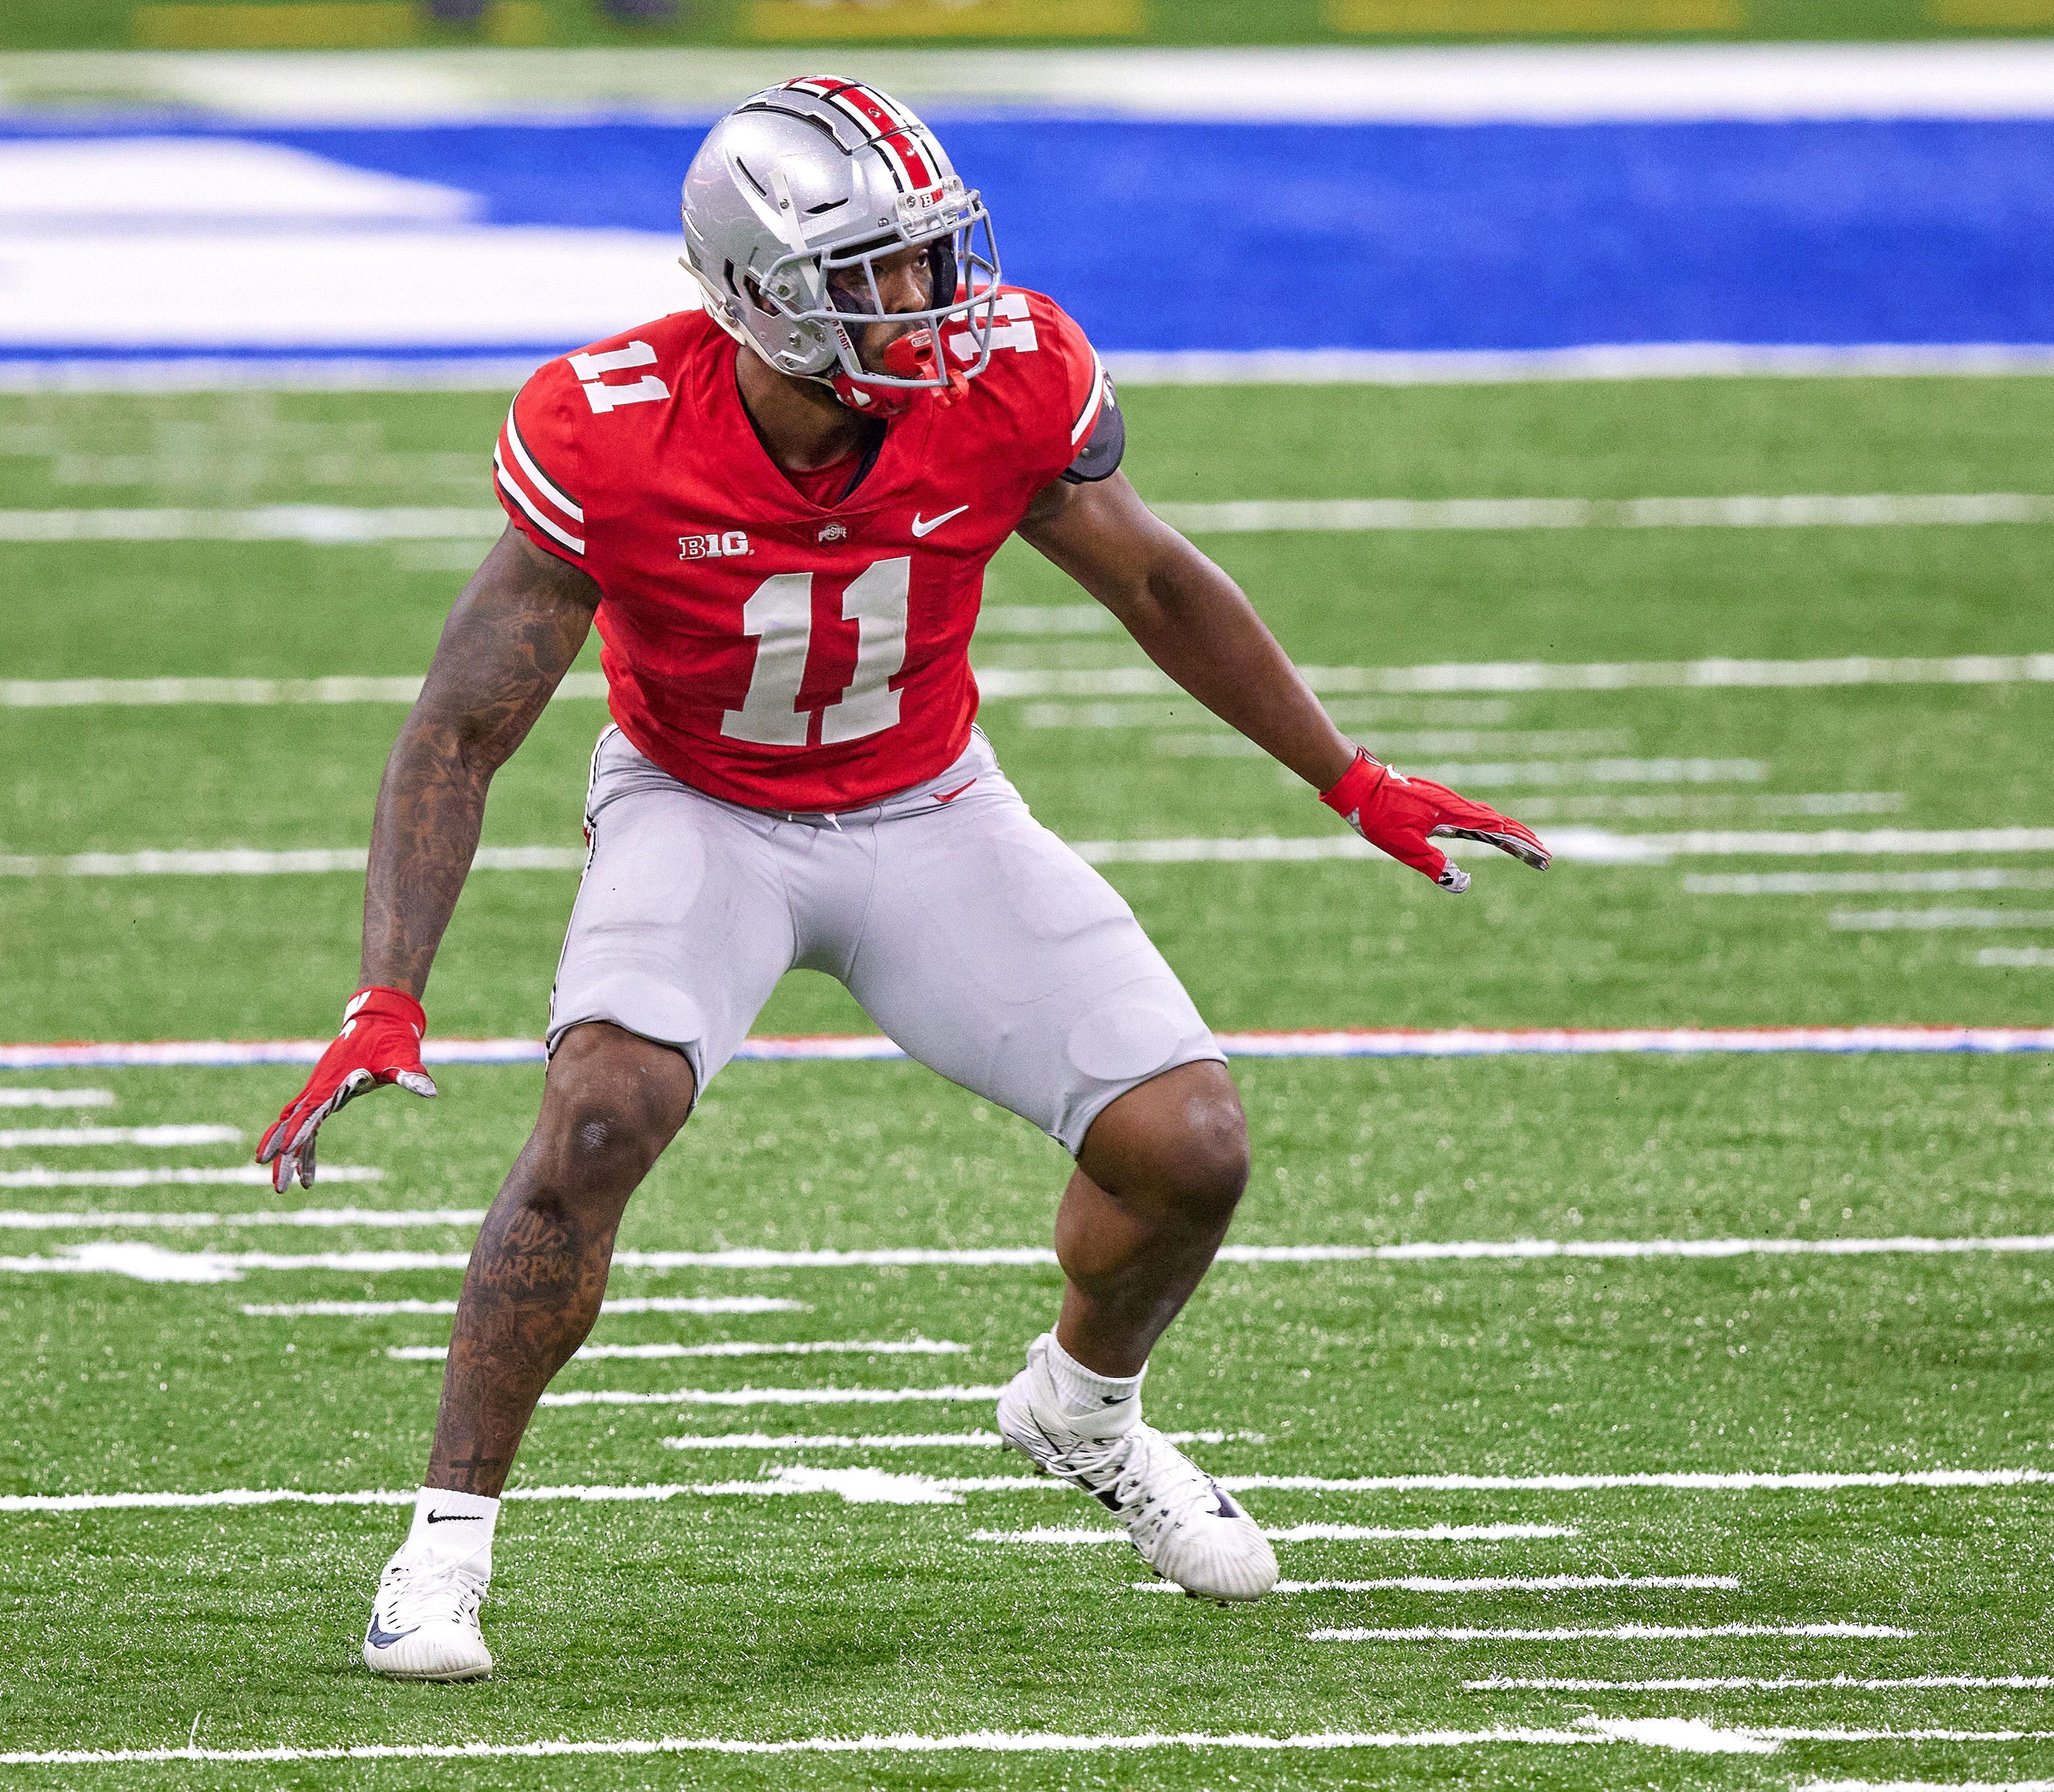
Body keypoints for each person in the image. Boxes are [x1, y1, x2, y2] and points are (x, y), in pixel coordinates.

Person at [256, 75, 1551, 1682]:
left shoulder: (1004, 384)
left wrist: (1344, 777)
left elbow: (1149, 575)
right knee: (598, 1119)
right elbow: (462, 722)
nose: (934, 302)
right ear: (757, 293)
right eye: (879, 272)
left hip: (929, 805)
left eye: (934, 257)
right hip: (699, 806)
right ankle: (442, 1547)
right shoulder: (608, 428)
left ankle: (1081, 1412)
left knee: (1188, 1150)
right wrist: (389, 993)